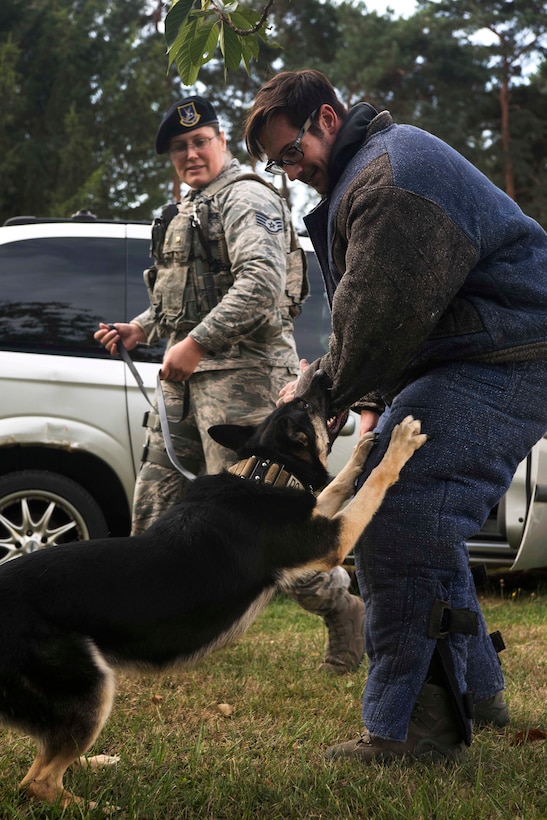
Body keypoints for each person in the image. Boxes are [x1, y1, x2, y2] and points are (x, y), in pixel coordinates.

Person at [244, 69, 547, 763]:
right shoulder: (375, 169)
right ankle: (474, 691)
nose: (290, 173)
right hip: (471, 353)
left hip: (507, 355)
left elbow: (378, 322)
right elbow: (387, 314)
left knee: (399, 517)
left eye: (292, 154)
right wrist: (366, 401)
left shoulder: (390, 185)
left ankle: (416, 731)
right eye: (276, 163)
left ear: (325, 118)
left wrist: (317, 393)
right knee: (416, 518)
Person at [94, 95, 365, 675]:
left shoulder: (246, 198)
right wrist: (139, 328)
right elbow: (180, 298)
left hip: (245, 387)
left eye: (200, 141)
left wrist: (195, 345)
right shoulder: (188, 208)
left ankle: (343, 609)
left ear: (220, 142)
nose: (190, 154)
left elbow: (261, 286)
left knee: (264, 527)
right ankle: (151, 633)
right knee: (156, 512)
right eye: (178, 148)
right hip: (185, 388)